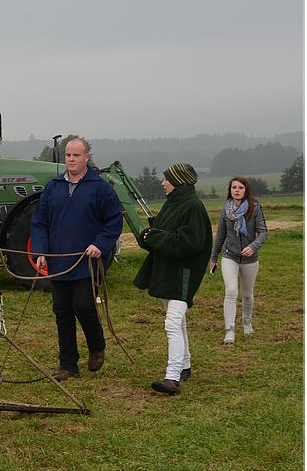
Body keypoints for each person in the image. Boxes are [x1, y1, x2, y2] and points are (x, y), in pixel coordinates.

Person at [30, 137, 123, 381]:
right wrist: (40, 251)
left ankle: (96, 345)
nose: (71, 159)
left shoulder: (100, 188)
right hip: (58, 261)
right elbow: (39, 222)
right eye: (68, 155)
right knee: (62, 311)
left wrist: (100, 244)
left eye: (76, 155)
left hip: (86, 263)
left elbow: (114, 221)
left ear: (86, 157)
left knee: (83, 306)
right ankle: (68, 365)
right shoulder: (53, 188)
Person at [133, 163, 212, 395]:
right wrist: (147, 236)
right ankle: (185, 366)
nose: (163, 182)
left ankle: (172, 377)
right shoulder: (172, 204)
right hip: (167, 272)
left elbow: (189, 243)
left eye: (166, 179)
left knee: (171, 324)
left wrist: (155, 236)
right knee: (178, 323)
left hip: (183, 274)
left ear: (178, 181)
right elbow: (160, 235)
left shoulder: (193, 207)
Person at [209, 177, 268, 344]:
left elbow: (263, 232)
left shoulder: (255, 208)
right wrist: (214, 258)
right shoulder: (226, 210)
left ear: (246, 190)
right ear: (230, 190)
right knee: (231, 291)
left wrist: (253, 246)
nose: (236, 190)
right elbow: (220, 235)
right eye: (233, 187)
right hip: (230, 256)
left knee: (247, 295)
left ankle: (247, 322)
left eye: (240, 187)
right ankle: (230, 331)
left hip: (250, 259)